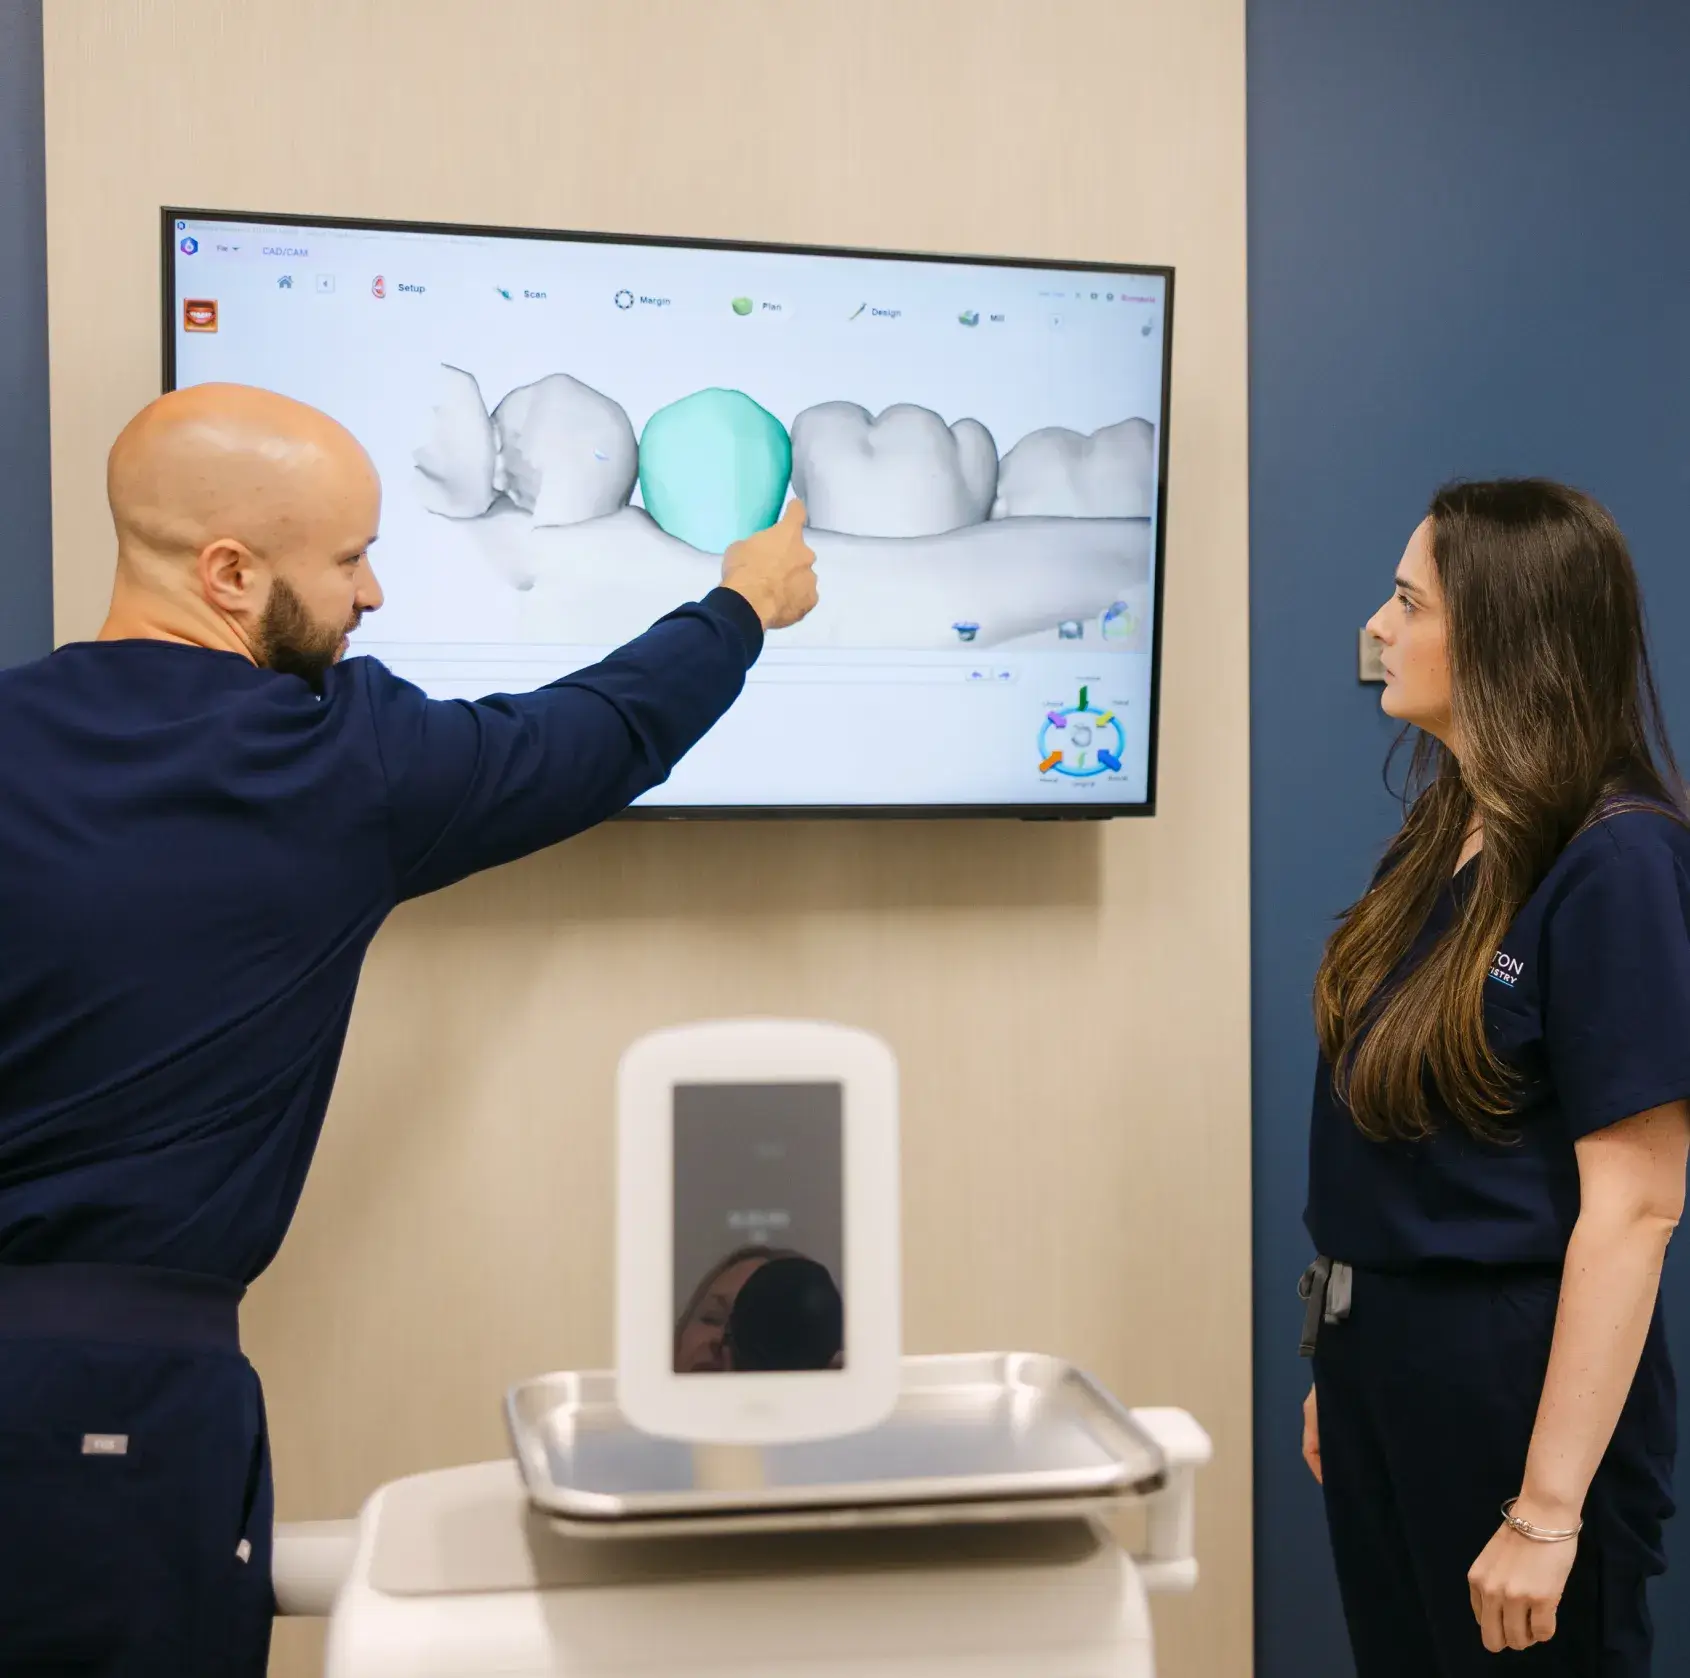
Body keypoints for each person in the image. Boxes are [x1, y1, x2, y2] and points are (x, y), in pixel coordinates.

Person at [0, 382, 819, 1675]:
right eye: (348, 558)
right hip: (112, 1417)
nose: (371, 593)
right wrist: (741, 604)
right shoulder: (333, 765)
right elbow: (600, 728)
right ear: (227, 572)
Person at [1299, 479, 1689, 1676]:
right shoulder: (1452, 824)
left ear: (1505, 641)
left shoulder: (1616, 858)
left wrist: (1545, 1507)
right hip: (1382, 1372)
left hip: (1509, 1396)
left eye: (1408, 602)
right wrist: (1344, 1362)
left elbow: (1636, 1205)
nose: (1377, 625)